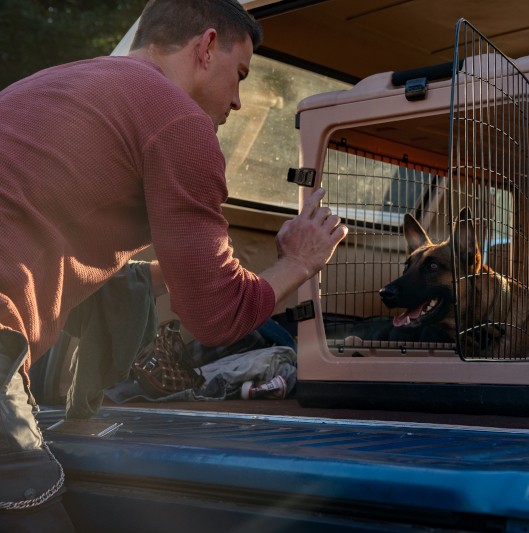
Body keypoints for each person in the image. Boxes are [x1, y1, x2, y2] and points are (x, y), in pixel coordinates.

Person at [0, 0, 347, 530]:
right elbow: (214, 315)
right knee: (30, 506)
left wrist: (190, 273)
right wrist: (299, 262)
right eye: (240, 74)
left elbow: (65, 253)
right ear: (206, 47)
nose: (238, 100)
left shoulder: (51, 84)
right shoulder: (178, 120)